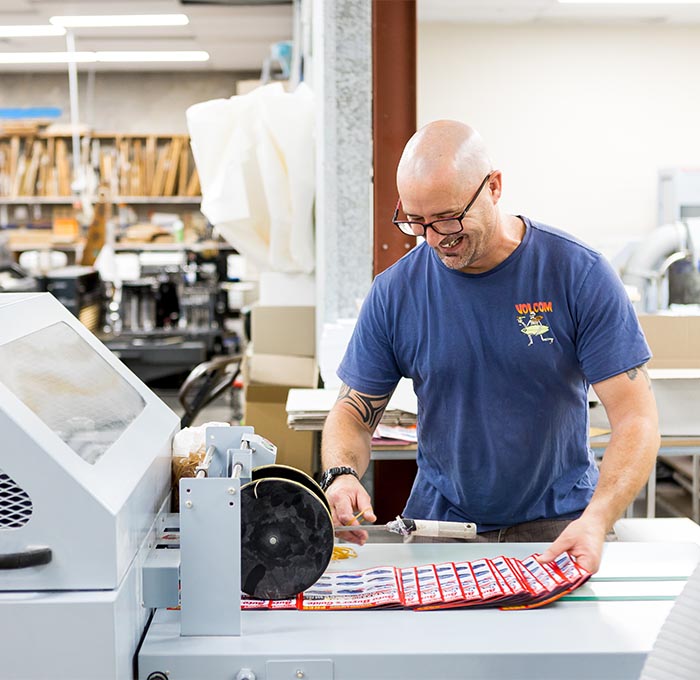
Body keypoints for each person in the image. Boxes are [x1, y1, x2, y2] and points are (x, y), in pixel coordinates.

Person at [320, 120, 659, 574]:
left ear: (494, 187)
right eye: (417, 222)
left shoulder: (576, 273)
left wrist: (598, 518)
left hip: (559, 527)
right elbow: (352, 412)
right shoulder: (397, 291)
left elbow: (636, 418)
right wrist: (341, 476)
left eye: (448, 217)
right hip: (440, 530)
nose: (436, 237)